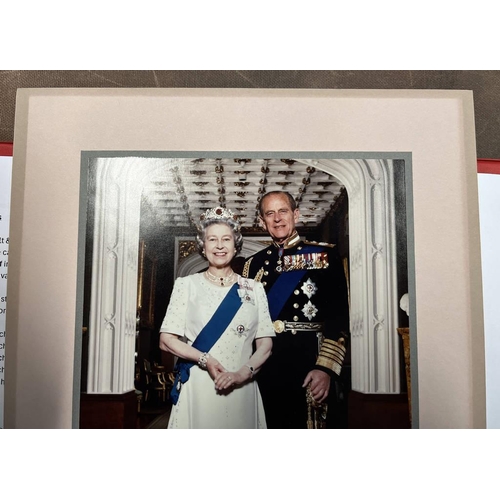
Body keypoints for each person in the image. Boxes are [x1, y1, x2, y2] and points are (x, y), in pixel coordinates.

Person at [159, 206, 274, 429]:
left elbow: (266, 344)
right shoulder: (186, 285)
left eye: (226, 239)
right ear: (204, 246)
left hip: (242, 386)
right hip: (200, 386)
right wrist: (207, 360)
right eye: (212, 239)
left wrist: (242, 374)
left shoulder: (254, 288)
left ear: (235, 244)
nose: (219, 246)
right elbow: (166, 340)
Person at [242, 191, 350, 429]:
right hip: (265, 365)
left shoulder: (323, 255)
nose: (277, 218)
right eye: (270, 213)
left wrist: (325, 368)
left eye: (283, 211)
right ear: (262, 221)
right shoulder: (253, 265)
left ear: (296, 214)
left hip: (309, 361)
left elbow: (339, 318)